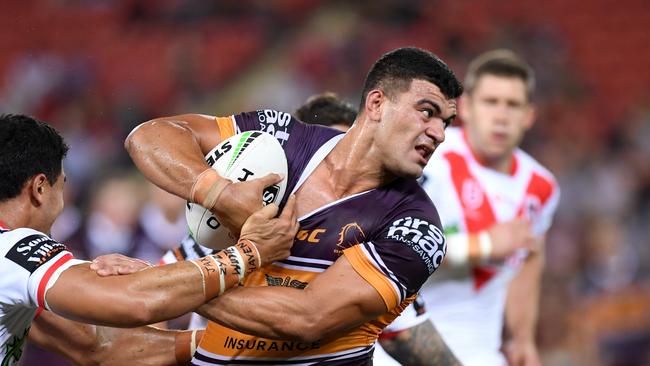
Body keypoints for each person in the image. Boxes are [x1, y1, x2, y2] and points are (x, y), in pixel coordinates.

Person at [125, 46, 463, 365]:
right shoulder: (279, 140)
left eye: (445, 122)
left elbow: (307, 318)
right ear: (376, 103)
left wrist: (167, 283)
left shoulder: (418, 227)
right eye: (427, 112)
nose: (439, 134)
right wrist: (220, 195)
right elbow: (149, 135)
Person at [0, 114, 298, 365]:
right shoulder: (13, 249)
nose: (62, 203)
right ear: (39, 189)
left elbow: (98, 346)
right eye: (60, 187)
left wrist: (229, 343)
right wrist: (248, 254)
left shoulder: (14, 276)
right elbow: (136, 301)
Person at [417, 50, 560, 366]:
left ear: (529, 115)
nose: (501, 116)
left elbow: (530, 260)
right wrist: (483, 245)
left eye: (512, 105)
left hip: (479, 351)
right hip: (403, 341)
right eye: (490, 102)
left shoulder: (542, 186)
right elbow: (389, 249)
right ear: (465, 107)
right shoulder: (429, 154)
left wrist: (523, 339)